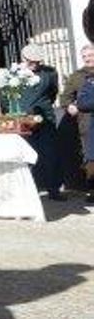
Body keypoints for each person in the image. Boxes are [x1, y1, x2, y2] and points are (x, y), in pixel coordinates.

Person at [19, 43, 63, 201]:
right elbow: (7, 97)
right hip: (23, 119)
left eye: (37, 61)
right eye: (31, 61)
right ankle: (31, 189)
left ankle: (54, 189)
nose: (34, 64)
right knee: (27, 155)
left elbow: (53, 93)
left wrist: (43, 107)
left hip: (45, 118)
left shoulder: (50, 73)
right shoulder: (15, 74)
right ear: (24, 59)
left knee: (50, 153)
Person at [61, 44, 94, 201]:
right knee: (91, 157)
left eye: (91, 55)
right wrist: (70, 106)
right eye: (85, 56)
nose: (88, 58)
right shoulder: (77, 76)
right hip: (87, 122)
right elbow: (65, 97)